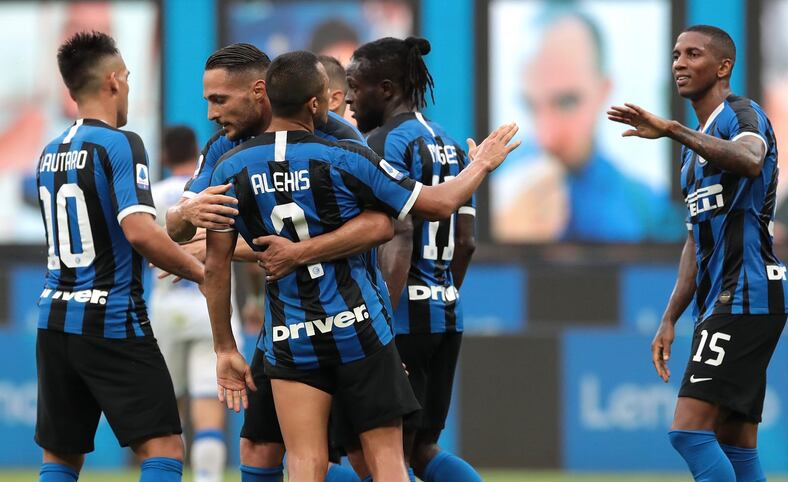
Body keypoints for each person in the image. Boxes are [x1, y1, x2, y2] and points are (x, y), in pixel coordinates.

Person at [204, 50, 519, 482]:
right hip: (360, 329)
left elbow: (215, 265)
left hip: (292, 333)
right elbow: (439, 203)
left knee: (303, 461)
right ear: (316, 104)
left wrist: (225, 348)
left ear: (268, 99)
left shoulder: (230, 167)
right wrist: (482, 163)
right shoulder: (346, 157)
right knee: (387, 461)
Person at [165, 43, 388, 482]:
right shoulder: (222, 149)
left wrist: (298, 253)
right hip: (283, 326)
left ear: (259, 91)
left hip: (351, 320)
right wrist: (185, 214)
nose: (211, 113)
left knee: (362, 452)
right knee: (260, 445)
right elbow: (177, 228)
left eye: (219, 100)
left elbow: (381, 226)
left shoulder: (337, 135)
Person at [608, 25, 788, 482]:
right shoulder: (694, 151)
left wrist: (670, 129)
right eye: (675, 55)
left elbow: (749, 160)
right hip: (724, 300)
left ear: (723, 67)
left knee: (689, 433)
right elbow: (696, 237)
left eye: (693, 54)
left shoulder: (741, 113)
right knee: (736, 442)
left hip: (746, 294)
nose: (679, 64)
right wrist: (671, 315)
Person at [35, 31, 206, 482]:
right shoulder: (122, 144)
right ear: (113, 81)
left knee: (61, 457)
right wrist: (200, 272)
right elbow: (140, 233)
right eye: (127, 76)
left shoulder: (48, 152)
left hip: (53, 319)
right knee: (165, 445)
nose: (128, 86)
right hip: (111, 317)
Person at [346, 36, 480, 482]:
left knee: (380, 454)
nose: (347, 96)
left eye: (354, 85)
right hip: (444, 313)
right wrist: (441, 292)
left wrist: (380, 321)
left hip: (400, 319)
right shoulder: (450, 144)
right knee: (423, 449)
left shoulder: (385, 142)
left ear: (384, 89)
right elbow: (466, 241)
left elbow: (397, 234)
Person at [493, 11, 681, 242]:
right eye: (531, 105)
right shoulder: (488, 193)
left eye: (567, 102)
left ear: (604, 91)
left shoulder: (650, 215)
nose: (546, 137)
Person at [151, 125, 241, 482]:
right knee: (208, 409)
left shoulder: (155, 195)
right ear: (197, 152)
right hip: (212, 307)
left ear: (163, 156)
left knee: (168, 413)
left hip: (167, 309)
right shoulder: (217, 191)